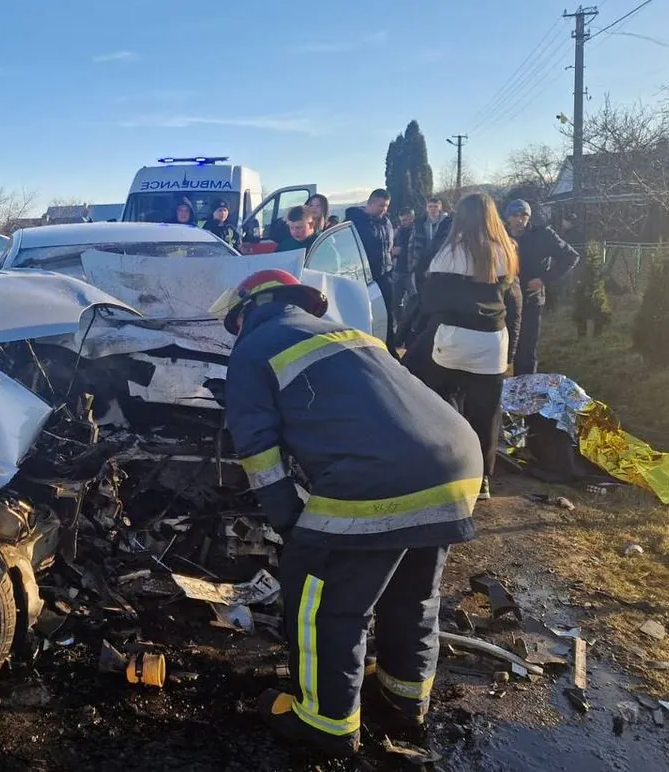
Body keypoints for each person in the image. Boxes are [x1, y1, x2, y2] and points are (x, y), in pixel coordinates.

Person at [211, 269, 483, 758]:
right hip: (457, 457)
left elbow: (257, 449)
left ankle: (325, 722)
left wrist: (291, 521)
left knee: (321, 595)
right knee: (413, 591)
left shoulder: (254, 347)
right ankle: (404, 700)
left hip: (381, 474)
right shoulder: (349, 334)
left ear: (248, 310)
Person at [404, 193, 522, 501]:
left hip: (453, 339)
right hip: (493, 342)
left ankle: (445, 465)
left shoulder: (449, 253)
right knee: (486, 411)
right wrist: (512, 353)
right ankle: (482, 480)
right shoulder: (507, 251)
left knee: (438, 399)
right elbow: (513, 302)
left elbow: (429, 302)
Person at [505, 199, 579, 375]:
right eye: (515, 215)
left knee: (526, 349)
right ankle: (499, 390)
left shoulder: (543, 235)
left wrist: (544, 279)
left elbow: (571, 256)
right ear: (507, 217)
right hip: (503, 299)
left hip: (530, 298)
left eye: (524, 215)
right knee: (501, 346)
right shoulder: (499, 235)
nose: (519, 219)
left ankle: (525, 391)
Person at [346, 189, 395, 341]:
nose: (384, 209)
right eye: (381, 205)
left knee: (387, 316)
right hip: (364, 279)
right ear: (371, 203)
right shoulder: (355, 224)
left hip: (385, 276)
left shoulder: (386, 222)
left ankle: (389, 347)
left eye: (387, 206)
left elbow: (388, 246)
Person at [391, 207, 417, 328]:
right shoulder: (398, 232)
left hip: (412, 270)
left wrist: (400, 251)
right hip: (398, 270)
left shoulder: (418, 232)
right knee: (395, 302)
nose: (404, 223)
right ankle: (401, 326)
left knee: (414, 300)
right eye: (402, 220)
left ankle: (412, 326)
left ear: (412, 218)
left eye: (406, 220)